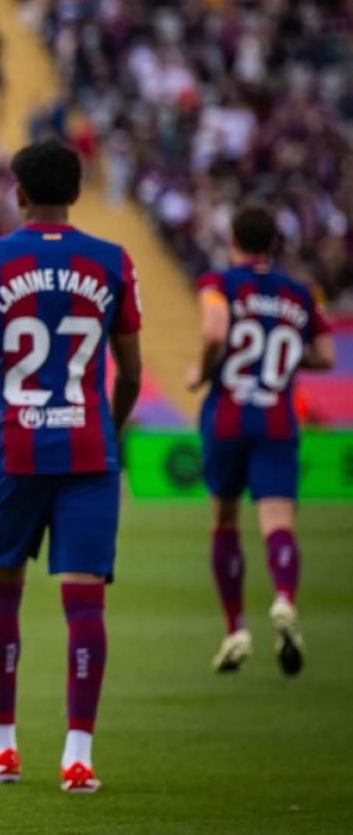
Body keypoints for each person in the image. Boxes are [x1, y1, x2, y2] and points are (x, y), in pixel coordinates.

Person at [0, 138, 143, 795]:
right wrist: (106, 427)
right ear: (75, 193)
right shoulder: (112, 261)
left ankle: (3, 750)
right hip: (88, 454)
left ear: (19, 193)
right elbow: (131, 371)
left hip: (16, 451)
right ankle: (78, 758)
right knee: (84, 605)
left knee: (1, 593)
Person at [187, 203, 334, 676]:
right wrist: (287, 361)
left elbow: (214, 331)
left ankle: (235, 629)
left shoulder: (218, 285)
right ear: (274, 244)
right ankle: (285, 600)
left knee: (225, 522)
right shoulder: (302, 293)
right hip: (276, 417)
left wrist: (201, 371)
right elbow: (327, 355)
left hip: (227, 416)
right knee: (278, 523)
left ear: (233, 241)